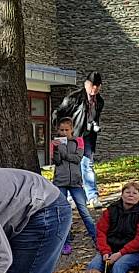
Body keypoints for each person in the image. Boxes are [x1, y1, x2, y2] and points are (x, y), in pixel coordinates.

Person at [52, 71, 104, 209]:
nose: (94, 89)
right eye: (92, 86)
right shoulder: (74, 98)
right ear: (86, 84)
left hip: (88, 136)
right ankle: (71, 198)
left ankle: (92, 197)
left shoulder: (99, 101)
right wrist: (62, 131)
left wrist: (94, 126)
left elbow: (94, 117)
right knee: (71, 166)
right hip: (73, 136)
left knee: (87, 164)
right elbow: (58, 113)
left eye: (97, 87)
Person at [51, 117, 95, 255]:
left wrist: (63, 151)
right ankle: (65, 242)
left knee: (84, 210)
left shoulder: (78, 141)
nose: (64, 132)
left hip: (76, 182)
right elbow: (57, 161)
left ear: (72, 130)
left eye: (67, 130)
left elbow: (77, 159)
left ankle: (96, 237)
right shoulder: (55, 143)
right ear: (58, 130)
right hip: (60, 181)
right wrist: (57, 149)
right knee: (62, 212)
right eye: (61, 130)